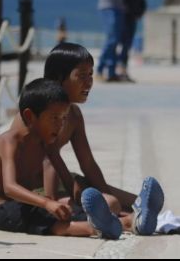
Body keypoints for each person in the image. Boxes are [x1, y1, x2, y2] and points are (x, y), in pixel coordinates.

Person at [39, 42, 165, 235]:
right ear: (58, 77)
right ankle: (129, 221)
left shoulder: (74, 115)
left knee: (132, 200)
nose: (89, 82)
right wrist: (59, 197)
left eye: (90, 75)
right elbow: (48, 160)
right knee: (112, 203)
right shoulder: (43, 112)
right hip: (38, 186)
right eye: (82, 76)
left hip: (63, 178)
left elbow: (88, 164)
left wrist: (103, 191)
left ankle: (132, 214)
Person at [0, 78, 123, 238]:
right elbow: (10, 188)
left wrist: (76, 203)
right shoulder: (10, 142)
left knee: (72, 211)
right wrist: (47, 203)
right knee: (45, 219)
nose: (60, 125)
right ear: (30, 116)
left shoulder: (45, 143)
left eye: (63, 118)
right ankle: (95, 229)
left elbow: (66, 179)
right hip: (2, 209)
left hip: (31, 204)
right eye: (54, 118)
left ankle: (127, 221)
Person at [117, 0, 147, 82]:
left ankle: (123, 70)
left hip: (132, 19)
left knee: (127, 45)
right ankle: (114, 69)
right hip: (119, 19)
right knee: (116, 44)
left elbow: (143, 2)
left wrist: (139, 13)